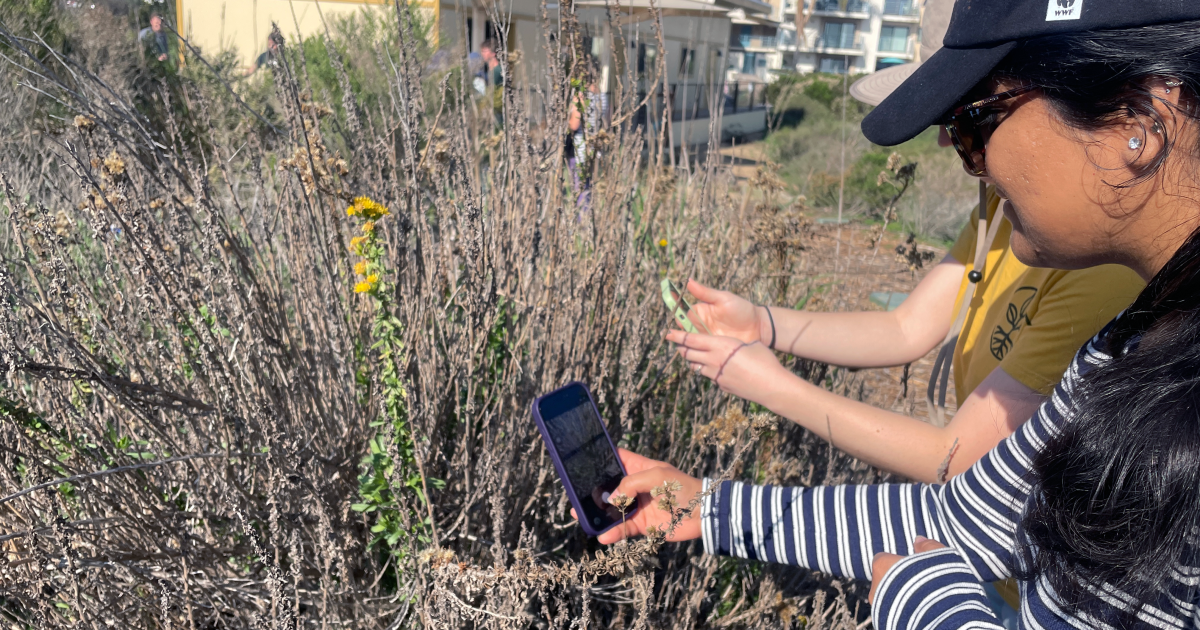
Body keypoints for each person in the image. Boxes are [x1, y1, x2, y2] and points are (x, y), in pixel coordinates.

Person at [576, 2, 1200, 627]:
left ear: (1136, 120)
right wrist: (707, 508)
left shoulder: (1135, 332)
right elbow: (964, 517)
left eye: (975, 119)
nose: (964, 154)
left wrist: (921, 600)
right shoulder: (1128, 342)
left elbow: (953, 470)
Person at [567, 60, 608, 211]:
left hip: (580, 149)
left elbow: (574, 124)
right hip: (596, 150)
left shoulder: (581, 96)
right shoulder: (603, 97)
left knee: (579, 191)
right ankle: (587, 219)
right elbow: (606, 124)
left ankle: (580, 220)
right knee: (589, 189)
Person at [479, 38, 504, 128]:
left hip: (496, 111)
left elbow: (492, 91)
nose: (482, 54)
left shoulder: (496, 71)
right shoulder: (491, 71)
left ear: (493, 53)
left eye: (485, 51)